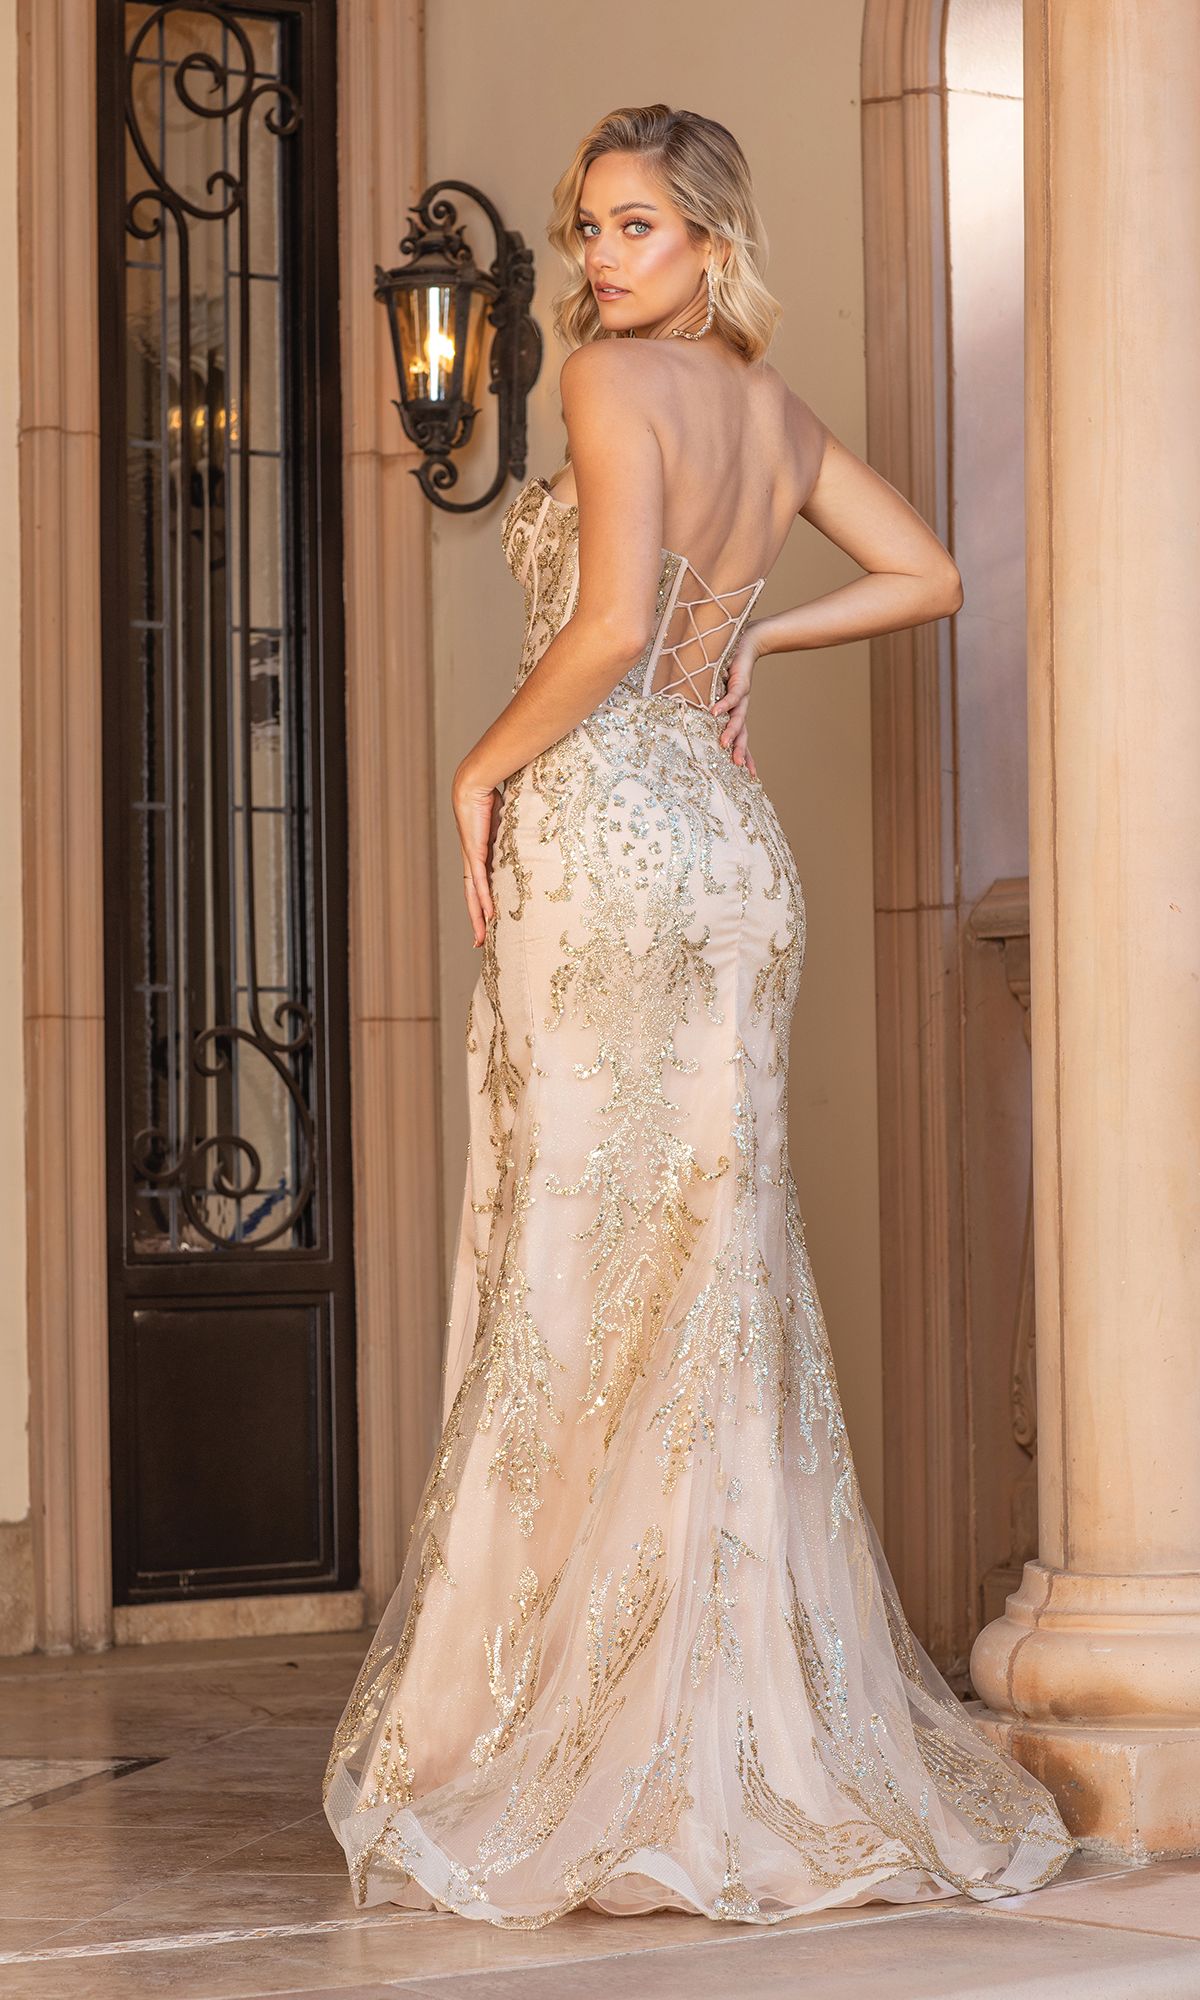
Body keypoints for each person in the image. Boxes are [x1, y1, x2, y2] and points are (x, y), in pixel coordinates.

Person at [323, 102, 1075, 1929]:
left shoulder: (610, 386)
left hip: (608, 817)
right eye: (589, 228)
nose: (597, 261)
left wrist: (478, 770)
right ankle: (731, 1731)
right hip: (734, 850)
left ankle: (571, 1739)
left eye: (635, 228)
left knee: (582, 1263)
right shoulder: (774, 415)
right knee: (716, 1279)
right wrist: (743, 640)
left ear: (713, 241)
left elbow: (593, 637)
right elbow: (929, 574)